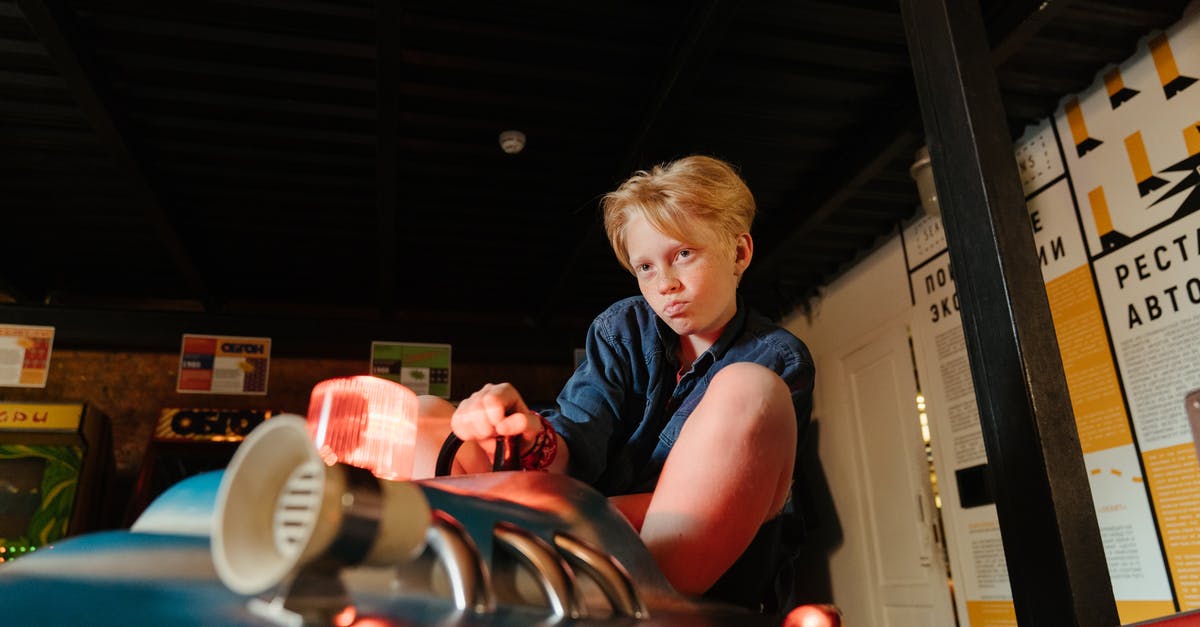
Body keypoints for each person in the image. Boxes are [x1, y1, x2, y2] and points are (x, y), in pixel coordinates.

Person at [417, 155, 815, 610]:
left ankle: (618, 601)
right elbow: (576, 441)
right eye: (645, 267)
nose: (664, 283)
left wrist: (532, 510)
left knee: (750, 387)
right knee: (426, 414)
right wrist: (529, 436)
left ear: (739, 253)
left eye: (683, 254)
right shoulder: (622, 327)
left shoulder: (779, 359)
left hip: (697, 580)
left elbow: (711, 500)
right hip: (581, 538)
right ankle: (438, 579)